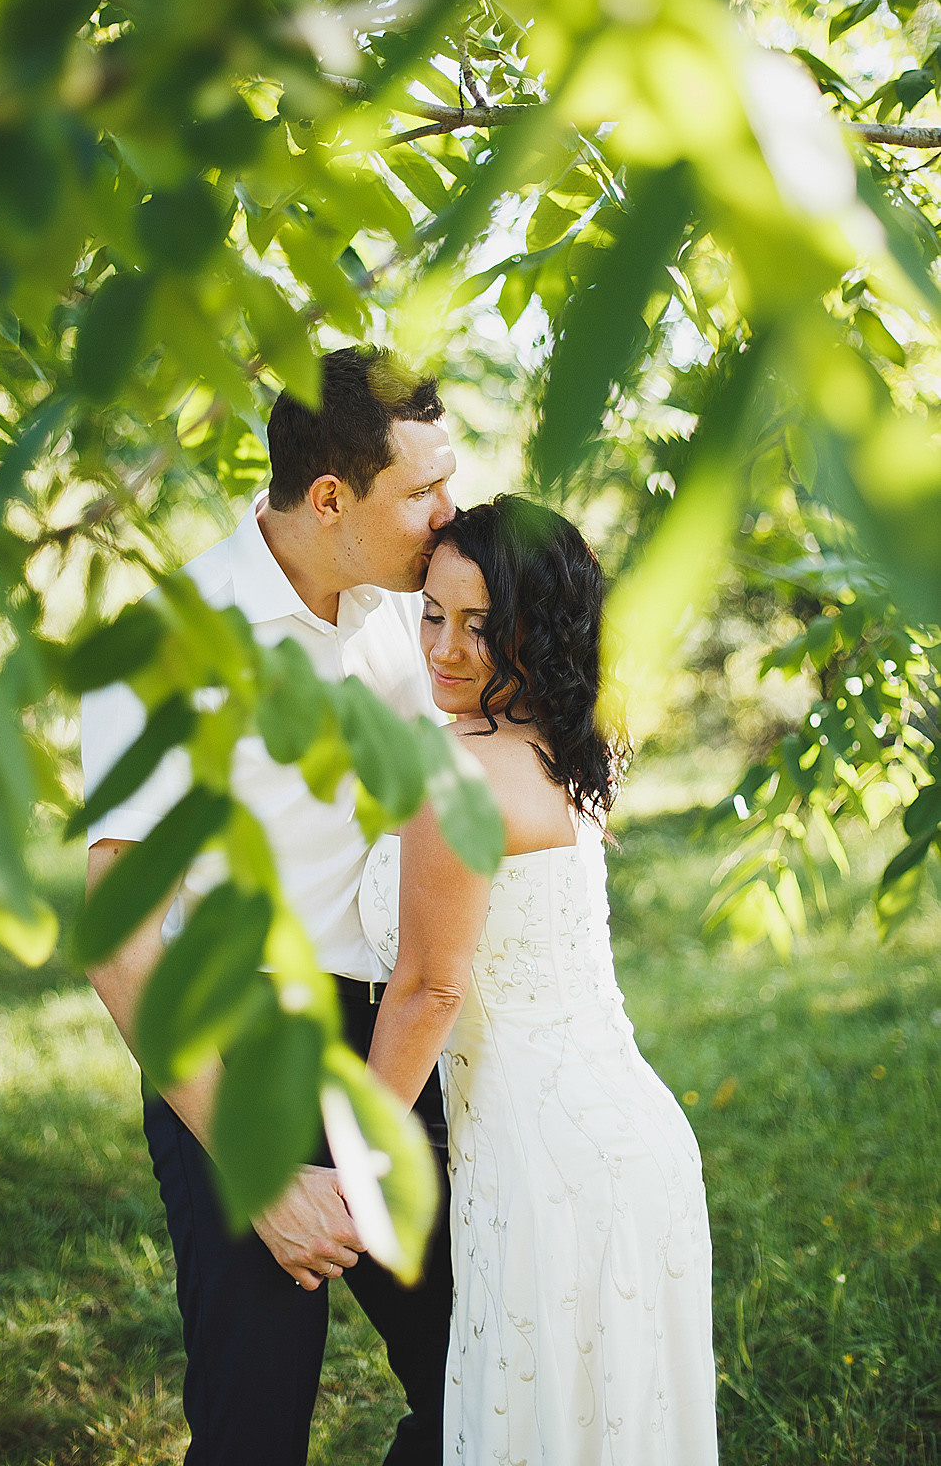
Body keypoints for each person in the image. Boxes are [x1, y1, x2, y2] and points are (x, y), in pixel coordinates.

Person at [80, 346, 458, 1466]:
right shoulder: (170, 640)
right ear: (331, 498)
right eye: (422, 490)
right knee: (253, 1422)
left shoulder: (410, 616)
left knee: (478, 1385)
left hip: (389, 1045)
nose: (450, 514)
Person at [360, 496, 719, 1466]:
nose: (443, 645)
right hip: (633, 1144)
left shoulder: (458, 778)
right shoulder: (566, 745)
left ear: (534, 627)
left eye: (479, 625)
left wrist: (350, 1161)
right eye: (431, 613)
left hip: (539, 1161)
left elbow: (430, 988)